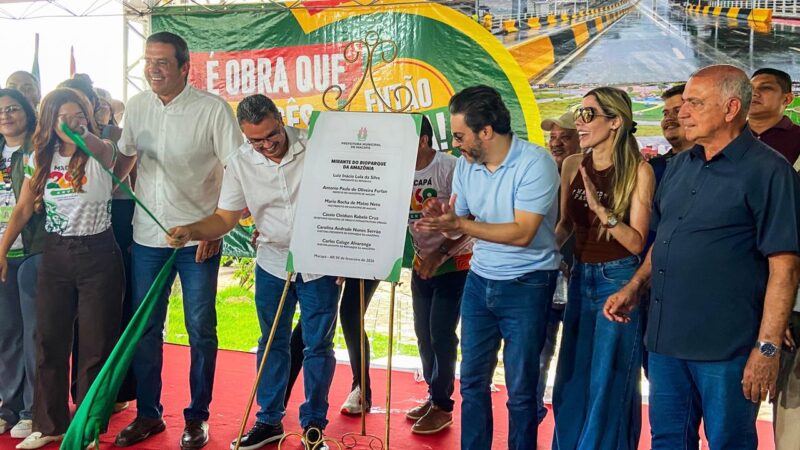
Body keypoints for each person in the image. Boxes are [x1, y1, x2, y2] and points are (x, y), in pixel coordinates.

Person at [604, 64, 800, 450]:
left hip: (727, 349)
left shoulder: (770, 172)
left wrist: (766, 348)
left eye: (694, 103)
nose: (682, 112)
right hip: (665, 343)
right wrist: (635, 286)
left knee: (728, 442)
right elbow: (667, 241)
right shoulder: (678, 167)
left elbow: (786, 267)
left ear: (730, 109)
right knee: (668, 440)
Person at [167, 94, 340, 450]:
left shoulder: (316, 145)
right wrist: (194, 230)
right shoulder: (241, 161)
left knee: (317, 345)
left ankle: (313, 428)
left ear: (280, 118)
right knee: (271, 341)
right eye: (255, 140)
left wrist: (347, 254)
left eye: (271, 136)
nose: (265, 146)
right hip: (272, 262)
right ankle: (268, 421)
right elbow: (226, 217)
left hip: (320, 263)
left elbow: (346, 194)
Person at [113, 32, 243, 450]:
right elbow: (127, 157)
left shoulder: (211, 110)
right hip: (147, 238)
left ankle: (197, 417)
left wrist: (216, 228)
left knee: (200, 329)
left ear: (186, 67)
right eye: (148, 61)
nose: (153, 69)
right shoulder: (136, 107)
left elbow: (235, 171)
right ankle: (148, 414)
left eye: (163, 62)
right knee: (146, 327)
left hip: (197, 243)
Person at [415, 85, 560, 449]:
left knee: (521, 389)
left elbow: (522, 232)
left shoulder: (535, 162)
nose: (457, 144)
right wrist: (443, 229)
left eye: (461, 135)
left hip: (528, 283)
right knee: (473, 381)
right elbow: (460, 218)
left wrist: (459, 225)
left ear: (486, 131)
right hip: (480, 281)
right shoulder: (467, 165)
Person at [0, 87, 124, 449]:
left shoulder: (101, 149)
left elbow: (104, 150)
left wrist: (83, 132)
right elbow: (23, 208)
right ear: (49, 121)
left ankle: (87, 427)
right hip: (55, 253)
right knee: (48, 340)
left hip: (98, 251)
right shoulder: (41, 157)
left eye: (78, 115)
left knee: (96, 345)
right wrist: (3, 249)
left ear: (88, 117)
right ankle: (49, 422)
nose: (71, 123)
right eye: (62, 117)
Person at [551, 87, 654, 450]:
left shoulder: (639, 171)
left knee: (608, 384)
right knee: (572, 379)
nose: (580, 121)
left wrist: (602, 211)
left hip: (618, 278)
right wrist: (539, 250)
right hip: (580, 277)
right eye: (579, 112)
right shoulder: (571, 165)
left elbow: (637, 242)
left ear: (615, 122)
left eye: (589, 114)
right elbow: (565, 224)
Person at [404, 116, 472, 434]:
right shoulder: (397, 169)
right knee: (423, 334)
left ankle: (443, 406)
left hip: (454, 259)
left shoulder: (450, 167)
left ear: (423, 141)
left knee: (441, 334)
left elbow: (469, 215)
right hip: (422, 261)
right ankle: (434, 397)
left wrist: (441, 253)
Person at [0, 89, 46, 441]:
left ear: (28, 112)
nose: (6, 116)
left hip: (30, 250)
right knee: (7, 333)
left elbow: (26, 207)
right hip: (2, 252)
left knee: (35, 334)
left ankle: (34, 411)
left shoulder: (38, 151)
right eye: (0, 111)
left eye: (13, 109)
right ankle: (9, 407)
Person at [536, 110, 580, 424]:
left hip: (586, 281)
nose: (557, 143)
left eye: (565, 137)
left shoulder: (595, 173)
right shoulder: (541, 175)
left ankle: (569, 422)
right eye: (553, 137)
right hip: (546, 278)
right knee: (538, 352)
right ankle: (530, 416)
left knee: (576, 358)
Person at [284, 277, 380, 416]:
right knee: (313, 317)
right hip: (330, 258)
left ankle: (361, 389)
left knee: (350, 315)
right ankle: (282, 391)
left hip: (365, 257)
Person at [749, 68, 800, 164]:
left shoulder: (797, 137)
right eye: (749, 88)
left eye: (765, 88)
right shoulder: (725, 134)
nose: (754, 93)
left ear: (787, 99)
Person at [649, 84, 692, 185]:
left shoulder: (712, 165)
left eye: (677, 111)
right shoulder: (653, 167)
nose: (668, 118)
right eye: (665, 114)